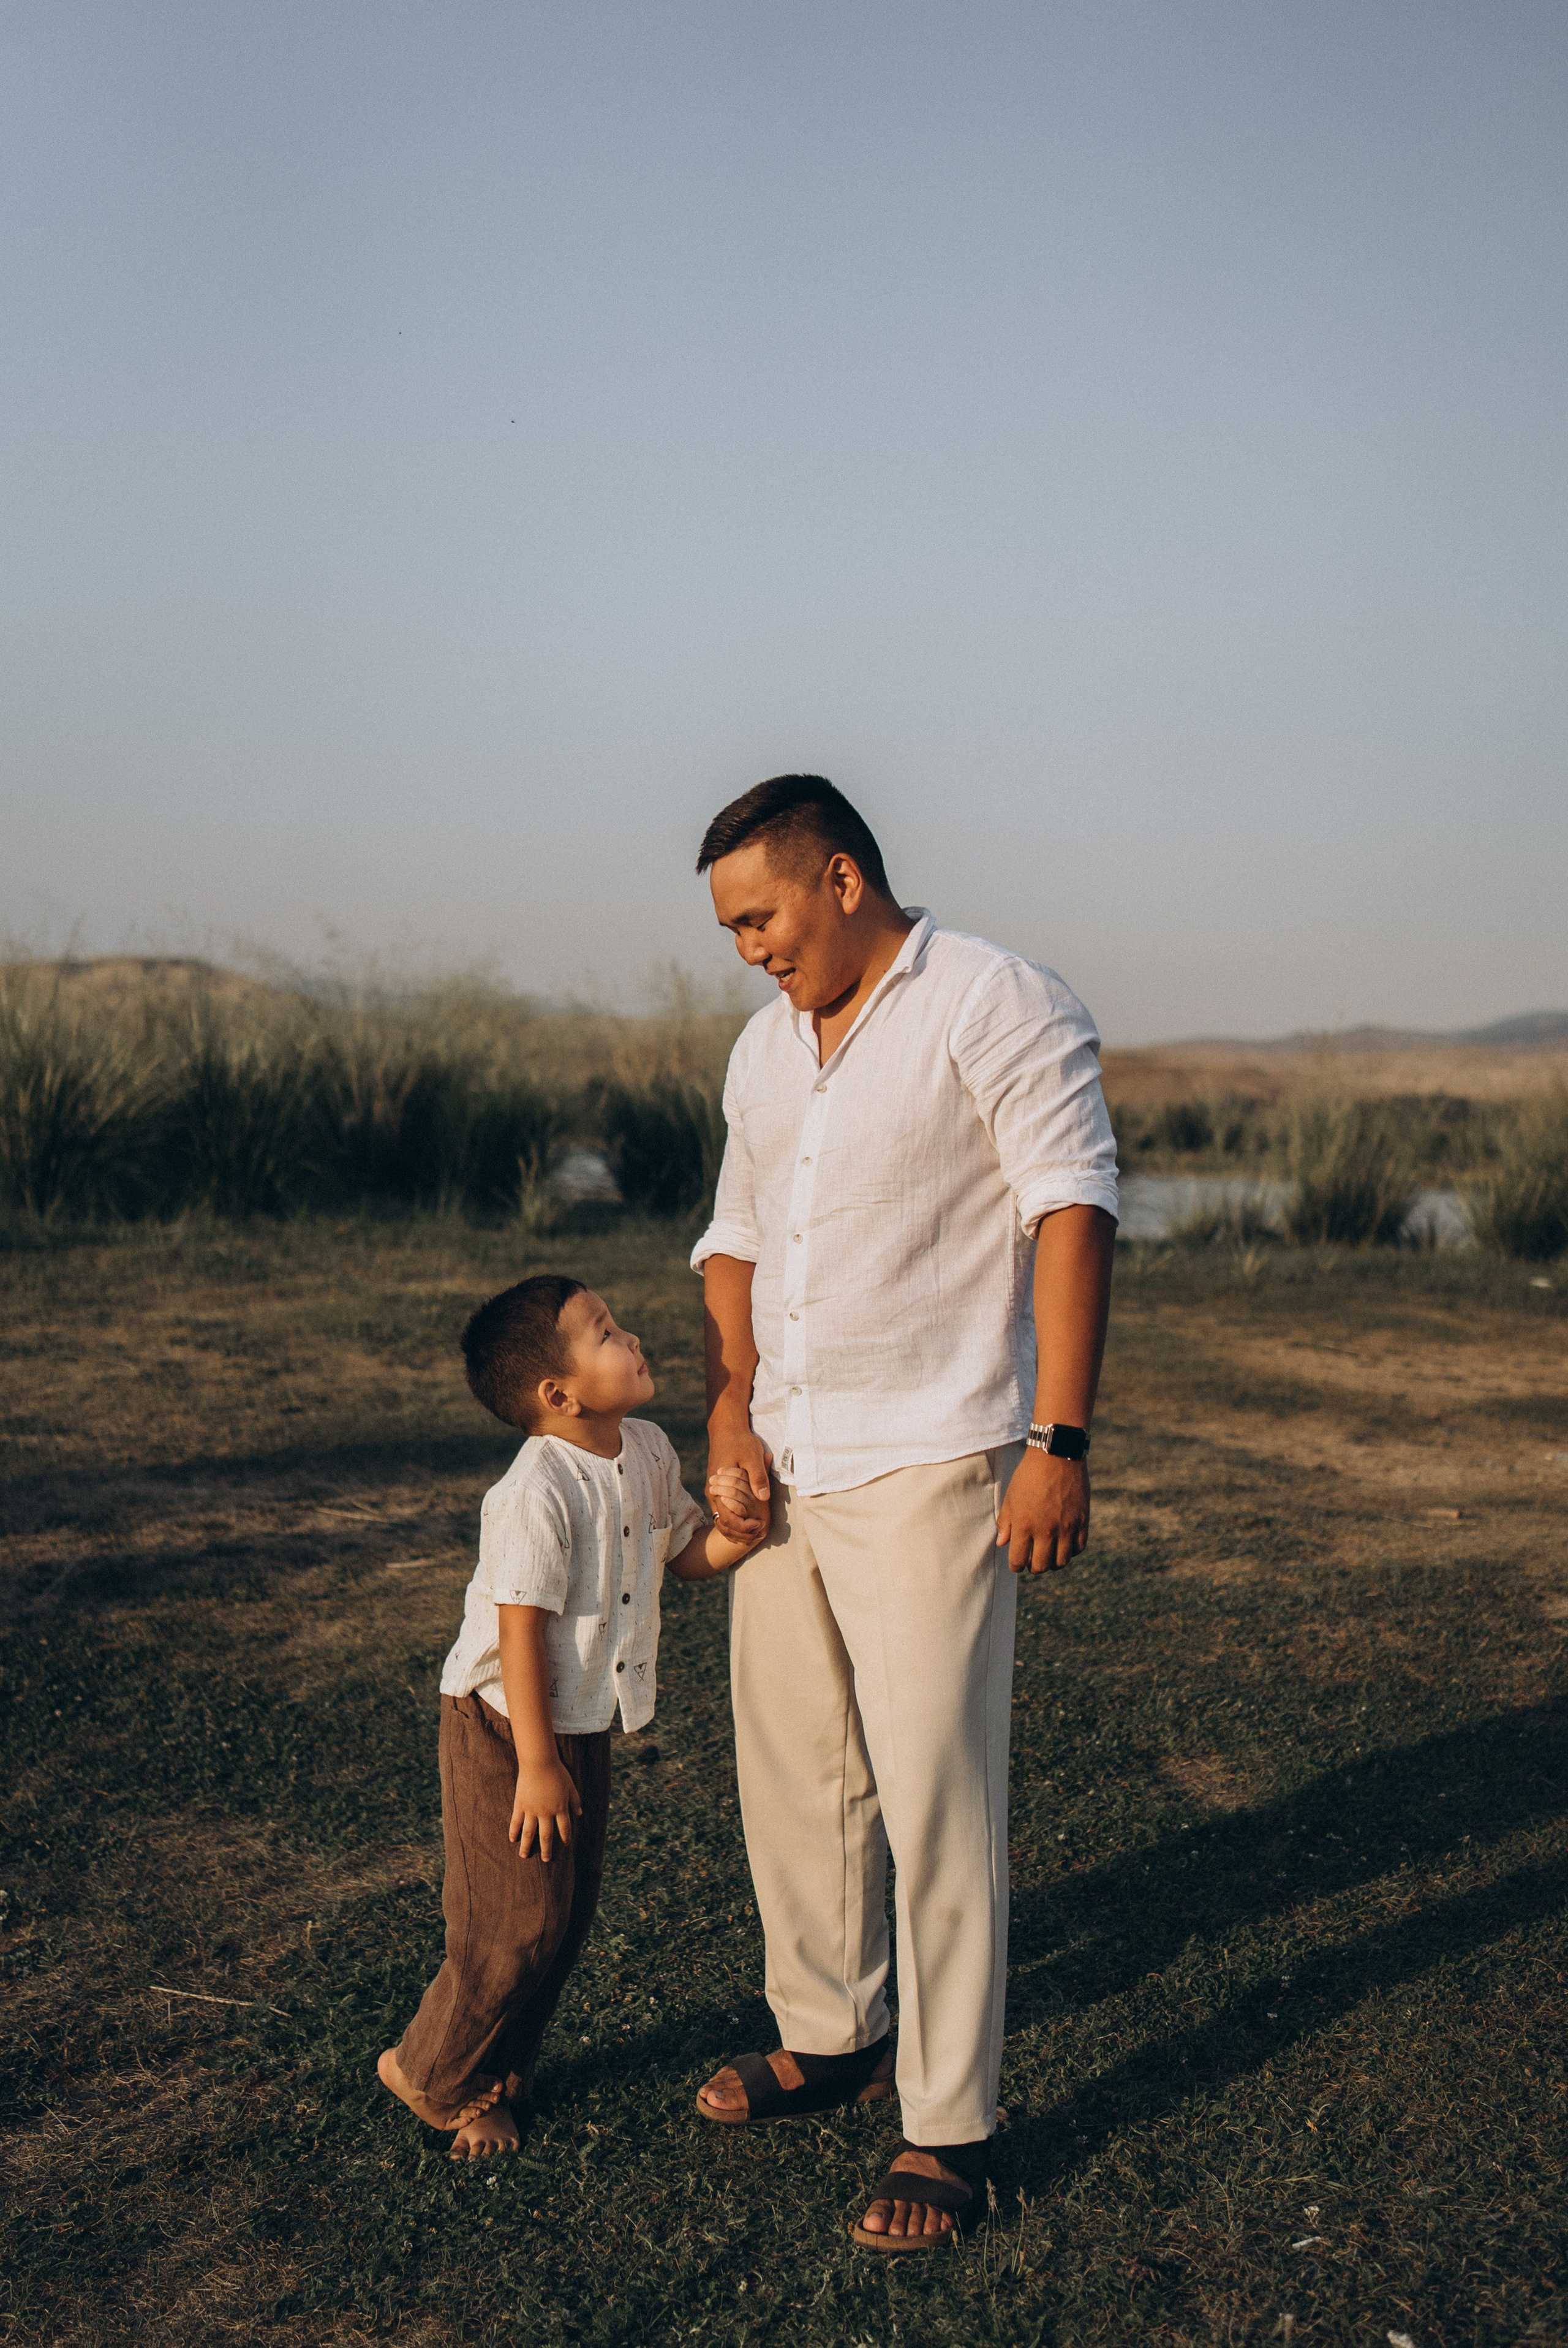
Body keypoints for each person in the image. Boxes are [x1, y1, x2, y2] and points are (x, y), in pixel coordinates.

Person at [690, 776, 1119, 2249]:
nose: (748, 947)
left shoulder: (994, 1000)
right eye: (730, 927)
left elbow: (1072, 1205)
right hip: (786, 1471)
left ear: (843, 881)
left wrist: (1056, 1439)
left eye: (759, 915)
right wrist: (730, 1404)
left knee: (937, 1797)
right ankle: (829, 2032)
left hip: (937, 1455)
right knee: (795, 1774)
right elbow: (732, 1240)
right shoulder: (760, 1049)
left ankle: (953, 2130)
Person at [377, 1274, 764, 2159]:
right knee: (508, 1922)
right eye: (607, 1333)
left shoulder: (649, 1450)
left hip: (580, 1721)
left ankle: (498, 2078)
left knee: (562, 1914)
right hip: (505, 1727)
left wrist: (737, 1533)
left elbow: (685, 1554)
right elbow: (520, 1631)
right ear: (559, 1393)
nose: (633, 1340)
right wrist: (536, 1766)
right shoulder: (538, 1488)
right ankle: (429, 2073)